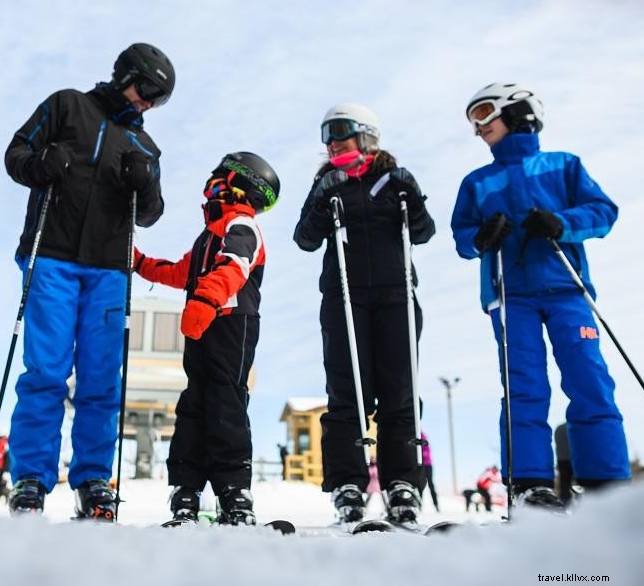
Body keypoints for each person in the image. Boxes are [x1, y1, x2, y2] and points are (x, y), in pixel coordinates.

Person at [3, 43, 174, 518]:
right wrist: (41, 165)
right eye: (146, 90)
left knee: (101, 380)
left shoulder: (146, 147)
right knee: (47, 373)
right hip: (52, 258)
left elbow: (153, 214)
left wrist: (146, 184)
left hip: (109, 271)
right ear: (123, 74)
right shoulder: (66, 105)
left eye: (158, 100)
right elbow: (16, 153)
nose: (147, 102)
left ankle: (93, 477)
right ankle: (32, 479)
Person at [451, 83, 631, 510]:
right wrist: (482, 237)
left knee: (589, 379)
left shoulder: (563, 166)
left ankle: (604, 482)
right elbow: (462, 237)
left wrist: (560, 222)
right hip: (511, 296)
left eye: (484, 114)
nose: (478, 128)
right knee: (524, 387)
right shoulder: (478, 182)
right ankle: (530, 483)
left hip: (567, 290)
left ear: (517, 112)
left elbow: (603, 212)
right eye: (472, 121)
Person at [294, 103, 435, 525]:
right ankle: (348, 482)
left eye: (339, 132)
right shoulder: (327, 182)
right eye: (326, 134)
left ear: (367, 135)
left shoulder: (393, 180)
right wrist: (321, 201)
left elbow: (424, 232)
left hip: (395, 296)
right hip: (344, 296)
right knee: (347, 392)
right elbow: (304, 238)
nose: (332, 142)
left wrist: (412, 197)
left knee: (399, 390)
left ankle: (401, 482)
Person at [134, 152, 279, 526]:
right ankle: (186, 489)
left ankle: (234, 494)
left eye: (219, 179)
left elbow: (235, 266)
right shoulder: (210, 233)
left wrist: (204, 300)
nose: (210, 186)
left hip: (231, 323)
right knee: (194, 406)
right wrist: (138, 263)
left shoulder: (241, 225)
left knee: (225, 403)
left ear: (240, 187)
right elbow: (181, 271)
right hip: (203, 324)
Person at [554, 422, 574, 505]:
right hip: (573, 459)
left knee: (564, 484)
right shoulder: (574, 427)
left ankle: (564, 502)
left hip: (562, 460)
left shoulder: (559, 428)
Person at [421, 431, 440, 511]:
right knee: (420, 485)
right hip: (420, 465)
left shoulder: (423, 436)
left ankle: (436, 505)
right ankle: (419, 506)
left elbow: (426, 451)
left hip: (427, 465)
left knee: (431, 485)